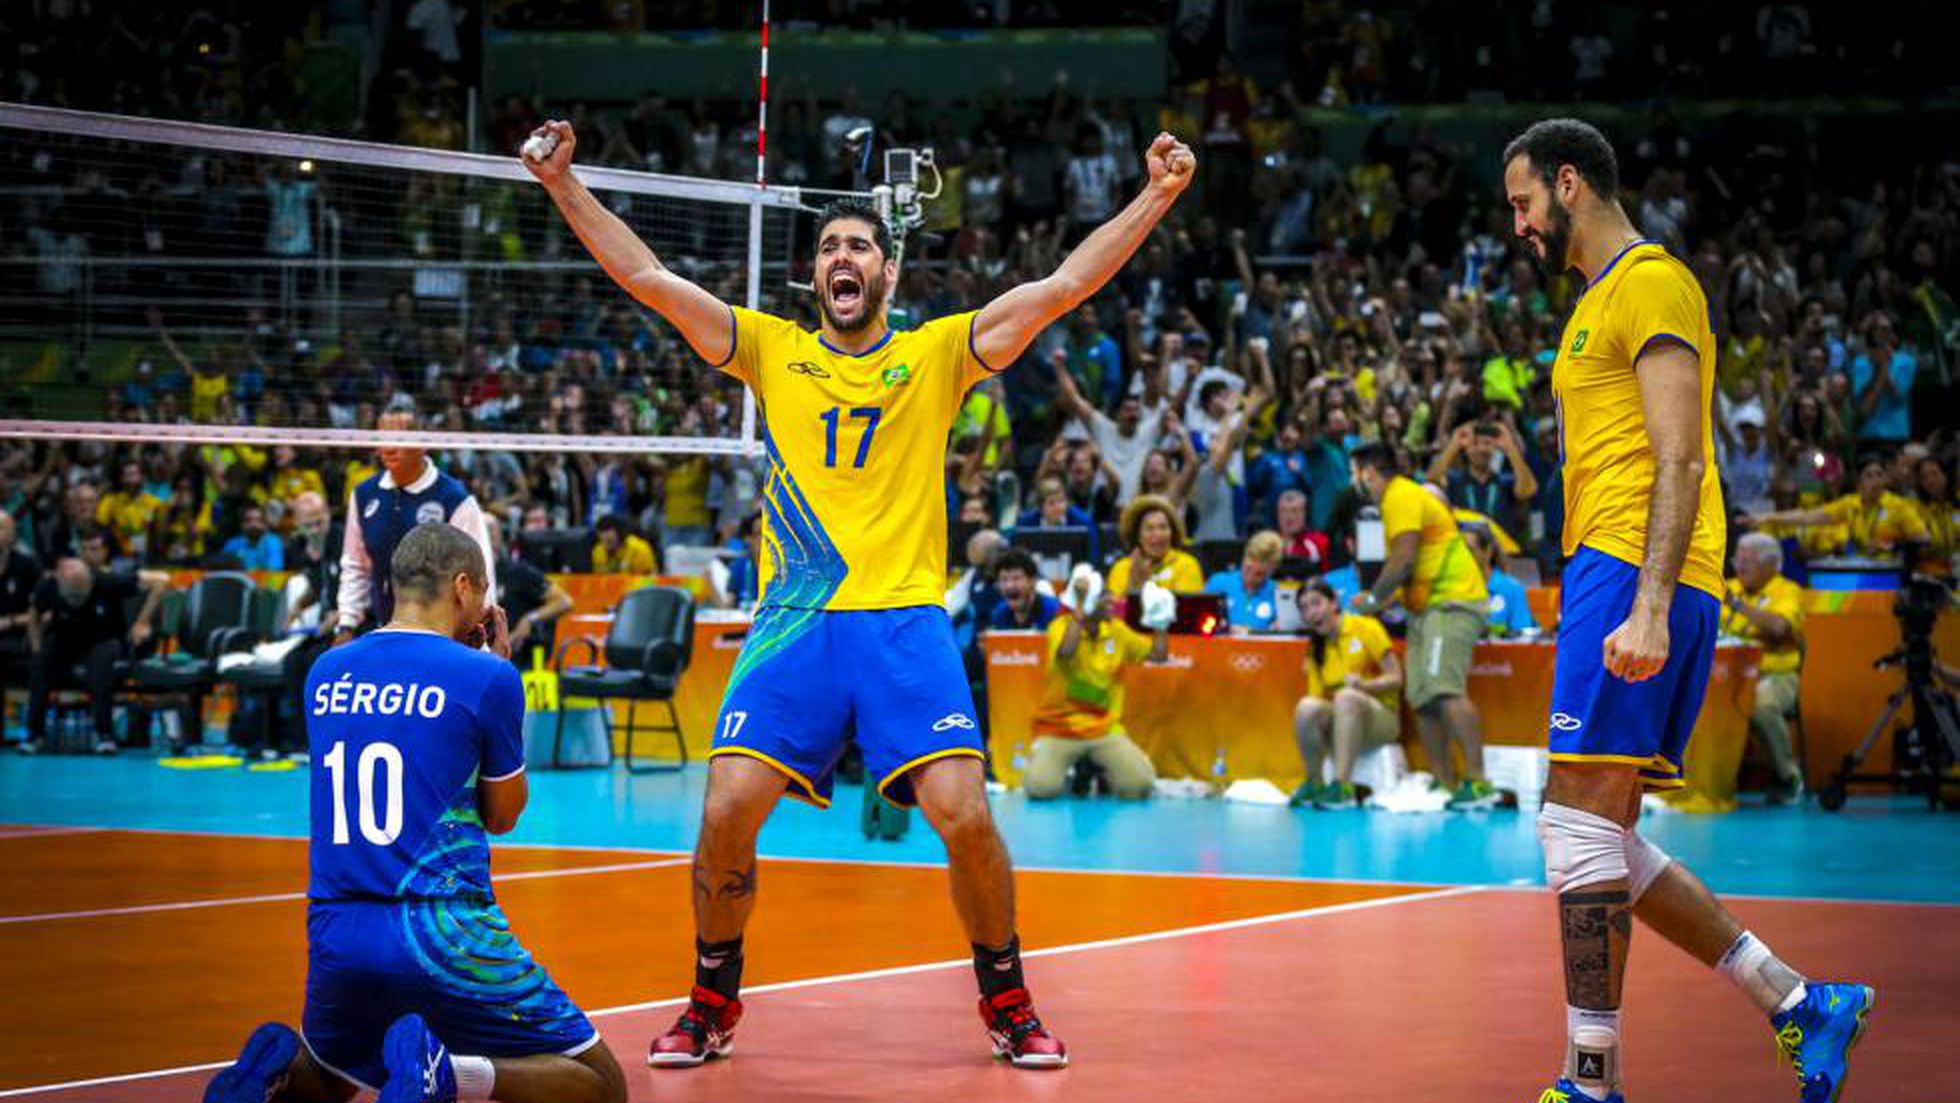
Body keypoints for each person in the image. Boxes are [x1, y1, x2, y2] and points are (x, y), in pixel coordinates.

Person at [530, 113, 1196, 1067]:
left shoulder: (935, 354)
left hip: (902, 623)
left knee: (965, 812)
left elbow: (1064, 285)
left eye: (860, 246)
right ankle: (713, 998)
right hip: (795, 624)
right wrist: (563, 185)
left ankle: (1006, 997)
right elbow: (649, 281)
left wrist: (1157, 194)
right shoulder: (768, 348)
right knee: (723, 809)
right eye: (829, 248)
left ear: (888, 273)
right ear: (815, 277)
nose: (843, 257)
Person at [1503, 117, 1871, 1103]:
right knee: (1600, 830)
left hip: (1635, 566)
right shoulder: (1593, 304)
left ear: (1568, 182)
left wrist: (1650, 603)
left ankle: (1591, 1079)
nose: (1519, 224)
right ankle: (1798, 1000)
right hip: (1614, 565)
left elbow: (1680, 453)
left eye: (1522, 202)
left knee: (1574, 826)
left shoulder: (1652, 281)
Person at [200, 524, 627, 1103]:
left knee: (336, 1074)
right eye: (481, 593)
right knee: (603, 1087)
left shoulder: (327, 670)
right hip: (440, 926)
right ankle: (450, 1076)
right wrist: (501, 674)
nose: (484, 608)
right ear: (460, 587)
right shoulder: (488, 677)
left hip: (337, 925)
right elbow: (502, 816)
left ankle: (271, 1078)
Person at [1346, 442, 1497, 809]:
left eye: (1355, 472)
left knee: (1444, 689)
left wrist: (1373, 600)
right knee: (1422, 696)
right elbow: (1417, 564)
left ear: (1368, 471)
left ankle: (1478, 784)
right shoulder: (1396, 501)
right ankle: (1444, 783)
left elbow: (1403, 559)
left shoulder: (1400, 495)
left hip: (1451, 602)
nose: (1354, 480)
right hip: (1426, 608)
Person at [336, 396, 496, 645]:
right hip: (382, 633)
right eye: (382, 438)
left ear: (422, 442)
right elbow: (355, 566)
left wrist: (481, 641)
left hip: (442, 641)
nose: (388, 448)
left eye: (398, 439)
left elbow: (480, 577)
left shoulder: (455, 499)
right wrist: (346, 623)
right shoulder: (364, 495)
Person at [1023, 566, 1168, 800]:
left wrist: (1162, 623)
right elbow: (1065, 653)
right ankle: (1070, 766)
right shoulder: (1060, 627)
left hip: (1103, 728)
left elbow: (1159, 655)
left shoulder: (1117, 632)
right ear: (1089, 600)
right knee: (1040, 789)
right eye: (1104, 595)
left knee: (1139, 786)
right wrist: (1079, 609)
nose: (1112, 600)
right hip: (1060, 728)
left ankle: (1094, 768)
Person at [22, 556, 167, 755]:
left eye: (80, 596)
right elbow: (34, 615)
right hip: (64, 640)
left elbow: (161, 581)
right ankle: (34, 735)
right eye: (71, 598)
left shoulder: (108, 581)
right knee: (40, 661)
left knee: (101, 661)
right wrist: (36, 646)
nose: (76, 602)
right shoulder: (48, 586)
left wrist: (142, 622)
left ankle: (104, 734)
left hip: (103, 639)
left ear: (89, 581)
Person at [1288, 578, 1402, 809]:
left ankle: (1342, 786)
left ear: (1334, 603)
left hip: (1382, 720)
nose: (1311, 613)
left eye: (1316, 603)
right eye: (1304, 608)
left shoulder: (1367, 627)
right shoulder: (1315, 649)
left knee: (1346, 696)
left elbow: (1397, 678)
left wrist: (1366, 687)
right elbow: (1318, 700)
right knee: (1306, 707)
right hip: (1344, 722)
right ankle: (1315, 781)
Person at [1722, 532, 1806, 803]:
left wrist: (1737, 605)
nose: (1741, 567)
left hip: (1775, 673)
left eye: (1749, 561)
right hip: (1724, 676)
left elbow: (1780, 628)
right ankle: (1703, 784)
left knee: (1760, 703)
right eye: (1738, 560)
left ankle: (1787, 777)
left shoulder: (1787, 590)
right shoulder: (1728, 585)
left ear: (1771, 565)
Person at [1742, 452, 1930, 560]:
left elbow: (1923, 539)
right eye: (1869, 476)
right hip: (1860, 570)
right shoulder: (1850, 504)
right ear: (1859, 483)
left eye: (1879, 475)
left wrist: (1892, 546)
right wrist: (1766, 517)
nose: (1875, 481)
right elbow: (1807, 517)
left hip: (1892, 573)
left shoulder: (1899, 507)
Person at [490, 522, 573, 671]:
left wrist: (530, 618)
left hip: (516, 656)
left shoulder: (517, 571)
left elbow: (564, 601)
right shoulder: (471, 576)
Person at [1106, 493, 1205, 596]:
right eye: (1149, 528)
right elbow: (1115, 611)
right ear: (1138, 536)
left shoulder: (1187, 565)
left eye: (1163, 527)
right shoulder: (1121, 568)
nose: (1158, 534)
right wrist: (1133, 587)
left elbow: (1188, 609)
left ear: (1172, 532)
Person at [1463, 523, 1538, 638]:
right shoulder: (1455, 588)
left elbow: (1522, 636)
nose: (1464, 556)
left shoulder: (1512, 589)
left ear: (1488, 551)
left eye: (1470, 550)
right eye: (1461, 552)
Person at [1206, 530, 1284, 631]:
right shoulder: (1217, 584)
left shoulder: (1277, 594)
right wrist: (1224, 628)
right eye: (1248, 569)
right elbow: (1198, 623)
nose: (1250, 578)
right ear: (1244, 557)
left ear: (1271, 572)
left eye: (1258, 574)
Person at [987, 548, 1060, 631]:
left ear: (1032, 581)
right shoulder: (999, 614)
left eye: (1016, 578)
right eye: (1004, 579)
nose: (1009, 586)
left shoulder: (1055, 613)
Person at [220, 506, 285, 571]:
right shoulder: (233, 543)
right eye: (248, 520)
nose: (253, 525)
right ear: (242, 525)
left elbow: (274, 570)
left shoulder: (273, 542)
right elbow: (223, 568)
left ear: (265, 525)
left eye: (258, 520)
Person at [589, 514, 658, 575]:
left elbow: (650, 579)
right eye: (602, 541)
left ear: (620, 534)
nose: (606, 546)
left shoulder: (639, 549)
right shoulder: (598, 551)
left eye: (610, 541)